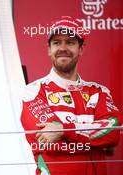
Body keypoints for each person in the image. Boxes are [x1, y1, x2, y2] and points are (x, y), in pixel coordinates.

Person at [20, 16, 122, 175]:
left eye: (70, 42)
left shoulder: (99, 92)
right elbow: (49, 144)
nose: (63, 48)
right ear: (49, 49)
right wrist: (93, 143)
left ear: (81, 49)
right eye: (56, 42)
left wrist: (64, 130)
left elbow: (113, 133)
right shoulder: (33, 91)